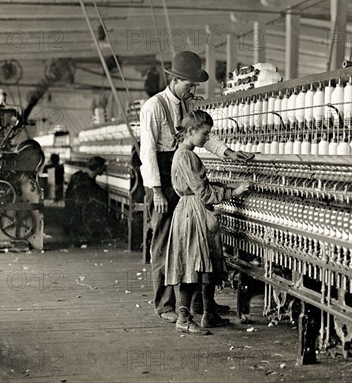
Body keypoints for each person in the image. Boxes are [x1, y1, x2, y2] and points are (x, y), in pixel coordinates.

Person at [140, 51, 254, 323]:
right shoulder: (154, 107)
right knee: (165, 241)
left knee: (192, 241)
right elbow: (147, 152)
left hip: (179, 173)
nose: (192, 90)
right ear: (176, 80)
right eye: (189, 85)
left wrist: (227, 152)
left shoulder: (186, 105)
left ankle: (202, 305)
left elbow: (202, 133)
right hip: (162, 176)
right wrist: (156, 192)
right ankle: (166, 305)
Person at [165, 110, 250, 334]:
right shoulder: (186, 156)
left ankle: (208, 314)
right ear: (191, 131)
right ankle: (183, 318)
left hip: (190, 210)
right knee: (191, 265)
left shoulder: (183, 154)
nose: (207, 138)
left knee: (202, 264)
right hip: (193, 213)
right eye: (205, 133)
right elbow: (205, 194)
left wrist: (228, 187)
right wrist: (235, 192)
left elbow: (202, 187)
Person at [64, 156, 115, 242]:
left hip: (70, 215)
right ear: (98, 168)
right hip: (79, 219)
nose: (105, 170)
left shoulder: (78, 176)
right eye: (103, 167)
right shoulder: (90, 186)